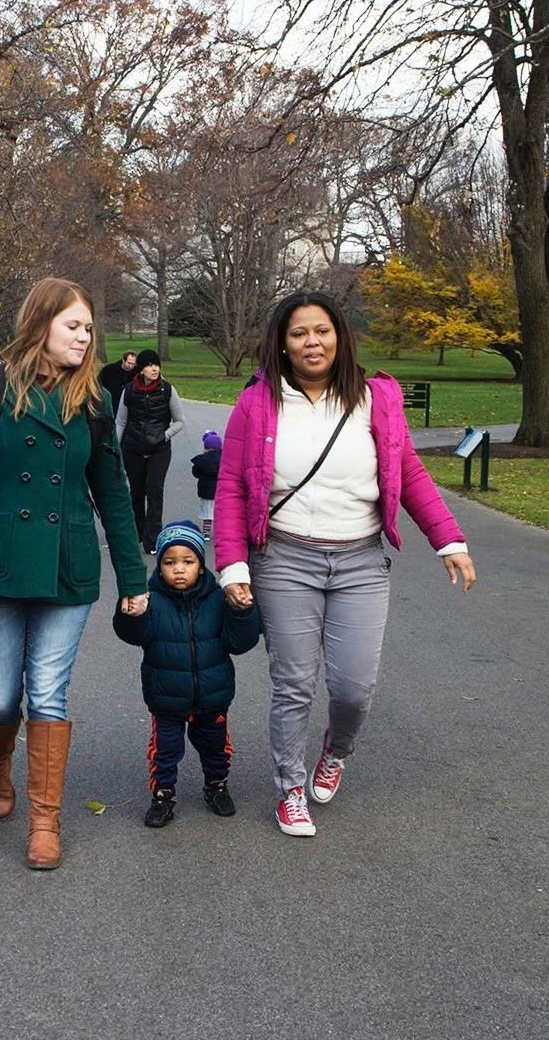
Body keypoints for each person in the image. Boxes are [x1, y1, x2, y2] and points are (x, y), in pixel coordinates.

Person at [215, 291, 476, 839]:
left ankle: (336, 749)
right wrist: (233, 565)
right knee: (293, 683)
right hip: (284, 558)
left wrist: (447, 540)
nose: (312, 342)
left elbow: (409, 474)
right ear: (281, 344)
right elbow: (233, 487)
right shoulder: (258, 404)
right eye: (298, 333)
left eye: (322, 330)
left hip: (359, 560)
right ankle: (289, 787)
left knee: (354, 686)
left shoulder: (377, 399)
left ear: (340, 336)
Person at [0, 276, 148, 870]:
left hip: (66, 567)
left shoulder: (93, 399)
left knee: (47, 692)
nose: (85, 336)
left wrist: (135, 578)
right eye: (74, 325)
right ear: (40, 324)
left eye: (90, 327)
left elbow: (113, 494)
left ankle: (45, 820)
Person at [113, 521, 261, 829]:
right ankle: (163, 796)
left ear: (201, 565)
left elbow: (240, 642)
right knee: (164, 751)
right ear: (160, 566)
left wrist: (243, 612)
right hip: (166, 698)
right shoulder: (152, 600)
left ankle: (217, 785)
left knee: (216, 749)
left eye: (187, 561)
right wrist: (130, 612)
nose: (178, 569)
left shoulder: (219, 598)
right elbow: (132, 634)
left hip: (213, 695)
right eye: (169, 562)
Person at [114, 349, 185, 552]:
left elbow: (180, 421)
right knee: (136, 492)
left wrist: (164, 435)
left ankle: (152, 538)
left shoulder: (168, 390)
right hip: (133, 448)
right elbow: (120, 421)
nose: (154, 369)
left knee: (154, 491)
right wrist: (116, 447)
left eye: (156, 365)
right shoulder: (129, 390)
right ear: (141, 369)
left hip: (159, 450)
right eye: (149, 365)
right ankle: (138, 530)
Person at [191, 430, 222, 538]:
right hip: (221, 491)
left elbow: (195, 473)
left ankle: (206, 533)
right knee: (220, 513)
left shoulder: (202, 460)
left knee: (207, 514)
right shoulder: (224, 459)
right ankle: (219, 532)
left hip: (207, 492)